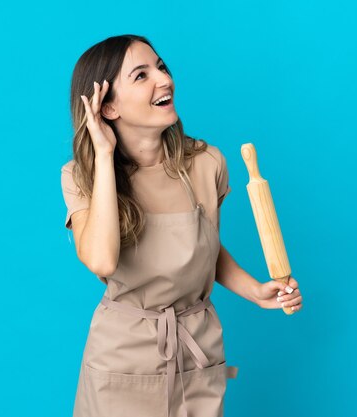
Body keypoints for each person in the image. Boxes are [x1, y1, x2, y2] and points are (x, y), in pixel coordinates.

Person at [61, 34, 303, 417]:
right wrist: (104, 157)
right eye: (141, 76)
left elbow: (205, 246)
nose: (163, 80)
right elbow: (102, 261)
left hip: (197, 346)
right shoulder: (82, 177)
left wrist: (255, 290)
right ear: (107, 108)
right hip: (122, 356)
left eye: (161, 67)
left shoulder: (207, 163)